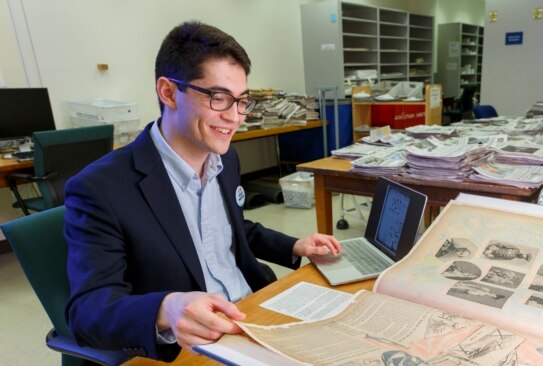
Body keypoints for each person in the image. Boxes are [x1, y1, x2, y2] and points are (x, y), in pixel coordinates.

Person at [64, 20, 342, 362]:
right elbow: (87, 311)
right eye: (219, 98)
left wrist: (294, 247)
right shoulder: (99, 188)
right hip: (190, 345)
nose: (235, 117)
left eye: (242, 101)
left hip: (252, 313)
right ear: (168, 93)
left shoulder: (225, 159)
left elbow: (233, 230)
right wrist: (166, 308)